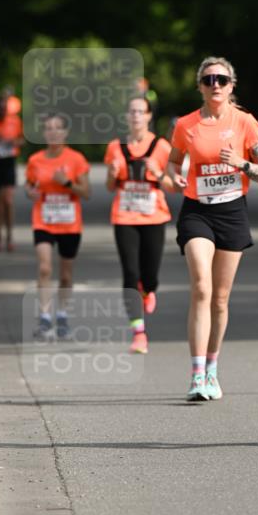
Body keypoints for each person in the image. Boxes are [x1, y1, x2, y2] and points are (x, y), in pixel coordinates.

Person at [167, 56, 258, 401]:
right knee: (201, 287)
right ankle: (196, 375)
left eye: (221, 80)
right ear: (199, 85)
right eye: (209, 79)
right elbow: (170, 161)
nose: (215, 85)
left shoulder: (245, 123)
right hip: (196, 211)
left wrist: (240, 163)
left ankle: (212, 368)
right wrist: (173, 175)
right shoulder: (186, 125)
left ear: (231, 85)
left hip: (232, 212)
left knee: (221, 298)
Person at [104, 96, 174, 354]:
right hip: (124, 216)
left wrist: (157, 174)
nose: (135, 116)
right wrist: (112, 174)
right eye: (131, 111)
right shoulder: (115, 147)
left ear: (148, 116)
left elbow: (173, 185)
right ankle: (138, 332)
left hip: (154, 216)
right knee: (130, 273)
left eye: (140, 112)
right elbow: (110, 186)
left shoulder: (161, 146)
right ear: (126, 116)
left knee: (150, 274)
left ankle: (150, 289)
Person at [25, 114, 90, 339]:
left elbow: (87, 193)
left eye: (57, 128)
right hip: (43, 220)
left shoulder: (76, 159)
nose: (53, 132)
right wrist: (29, 192)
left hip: (70, 224)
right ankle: (44, 317)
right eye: (48, 128)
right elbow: (29, 184)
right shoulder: (35, 160)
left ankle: (61, 314)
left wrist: (68, 183)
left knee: (65, 275)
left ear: (65, 133)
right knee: (44, 267)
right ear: (43, 133)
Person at [0, 89, 24, 251]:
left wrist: (14, 142)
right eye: (0, 109)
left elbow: (21, 140)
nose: (2, 111)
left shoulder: (15, 121)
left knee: (8, 201)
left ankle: (10, 236)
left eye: (5, 109)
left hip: (9, 162)